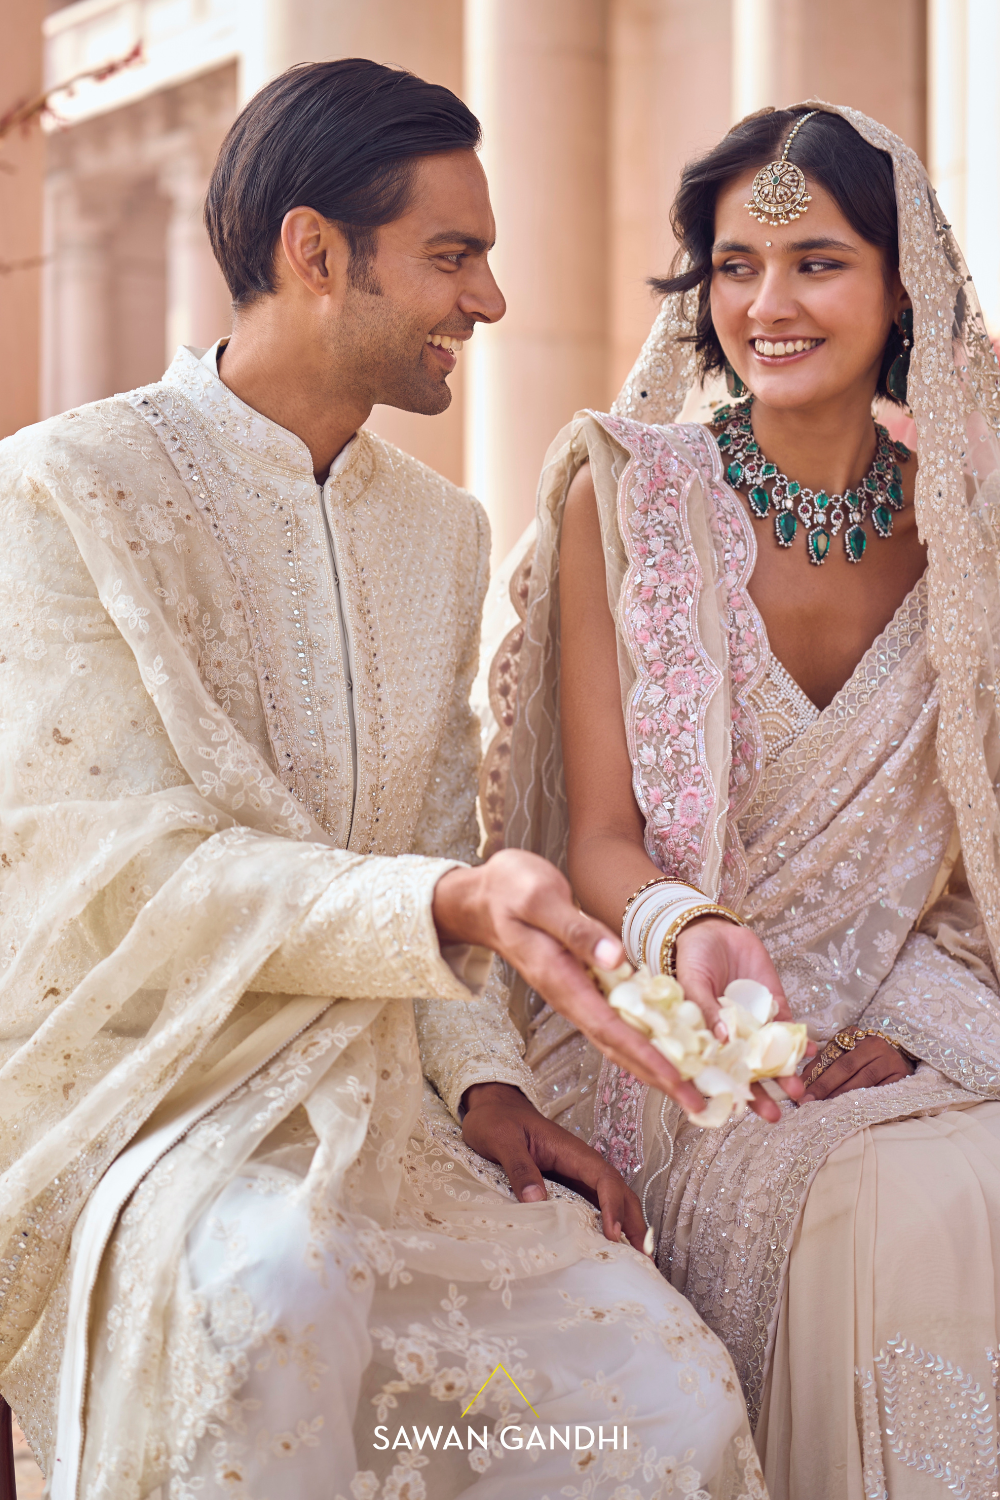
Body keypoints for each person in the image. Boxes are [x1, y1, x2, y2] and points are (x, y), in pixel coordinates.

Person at [0, 59, 766, 1500]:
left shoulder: (440, 530)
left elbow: (430, 842)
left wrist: (485, 1084)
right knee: (277, 1296)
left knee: (660, 1384)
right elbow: (124, 875)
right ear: (313, 253)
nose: (484, 301)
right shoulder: (63, 494)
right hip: (166, 1111)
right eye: (451, 256)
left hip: (394, 1126)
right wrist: (450, 901)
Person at [498, 101, 1000, 1499]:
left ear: (906, 284)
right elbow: (594, 836)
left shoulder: (973, 519)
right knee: (894, 1212)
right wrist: (699, 946)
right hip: (678, 1025)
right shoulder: (632, 492)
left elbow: (973, 858)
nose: (768, 304)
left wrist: (907, 1028)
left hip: (919, 999)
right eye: (735, 266)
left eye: (818, 262)